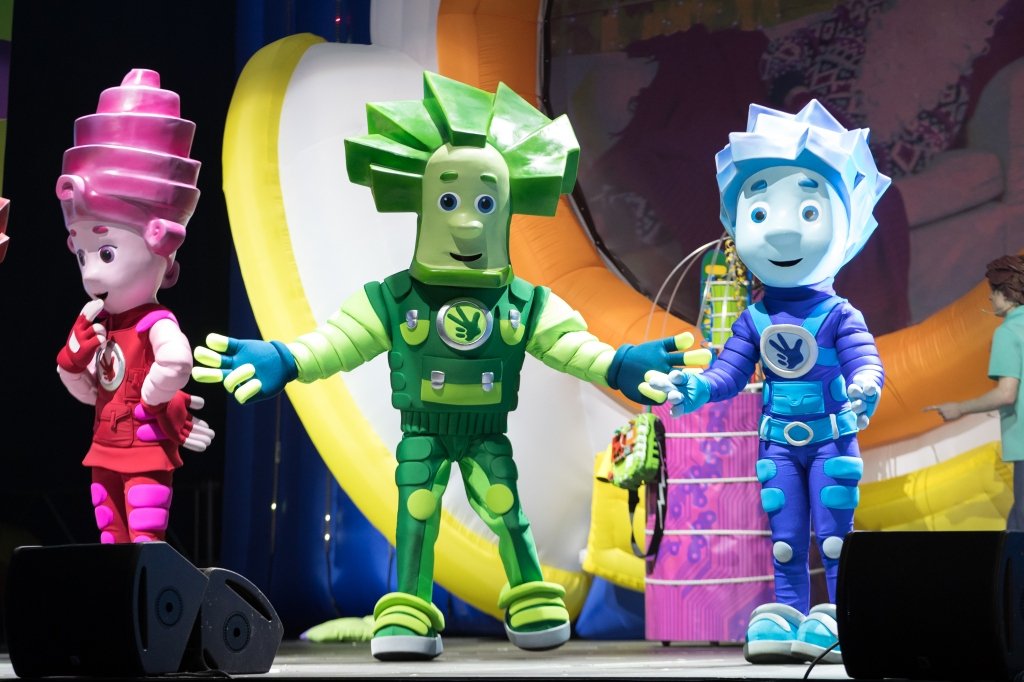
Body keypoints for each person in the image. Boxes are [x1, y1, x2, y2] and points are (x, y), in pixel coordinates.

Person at [192, 71, 703, 661]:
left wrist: (617, 365)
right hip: (423, 431)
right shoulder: (393, 298)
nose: (466, 221)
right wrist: (285, 358)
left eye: (484, 202)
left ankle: (529, 594)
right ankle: (409, 605)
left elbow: (571, 346)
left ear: (505, 207)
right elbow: (337, 341)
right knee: (417, 512)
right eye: (448, 200)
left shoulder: (523, 303)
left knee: (505, 507)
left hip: (485, 433)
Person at [643, 100, 890, 665]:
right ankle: (789, 614)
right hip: (777, 443)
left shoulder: (839, 314)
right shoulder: (754, 318)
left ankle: (841, 615)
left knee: (834, 536)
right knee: (784, 539)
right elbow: (729, 372)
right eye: (759, 212)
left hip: (831, 439)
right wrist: (697, 388)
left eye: (809, 209)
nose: (780, 230)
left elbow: (865, 361)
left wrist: (866, 386)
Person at [55, 69, 214, 544]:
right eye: (83, 255)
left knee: (145, 541)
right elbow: (89, 389)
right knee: (110, 539)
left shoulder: (155, 321)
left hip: (144, 451)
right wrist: (73, 361)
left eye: (105, 252)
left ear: (160, 240)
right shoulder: (99, 322)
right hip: (103, 448)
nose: (91, 271)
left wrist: (153, 399)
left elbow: (177, 361)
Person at [925, 255, 1024, 529]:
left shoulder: (1008, 332)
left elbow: (1006, 393)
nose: (990, 298)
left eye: (992, 291)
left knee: (1019, 532)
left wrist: (959, 408)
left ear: (1006, 293)